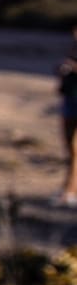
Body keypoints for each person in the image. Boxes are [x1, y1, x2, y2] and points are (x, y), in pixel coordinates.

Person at [58, 26, 77, 208]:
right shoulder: (71, 49)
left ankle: (70, 191)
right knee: (70, 150)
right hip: (69, 103)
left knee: (75, 150)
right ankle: (69, 189)